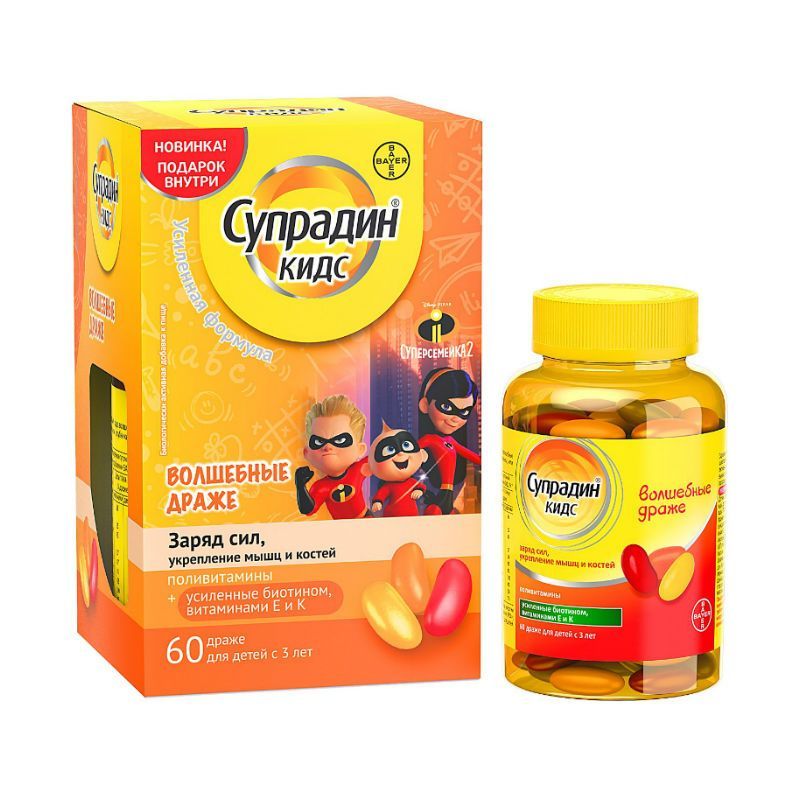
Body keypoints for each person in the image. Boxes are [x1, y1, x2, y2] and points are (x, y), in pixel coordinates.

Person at [294, 394, 370, 519]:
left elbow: (381, 460)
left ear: (360, 449)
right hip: (339, 528)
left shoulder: (358, 470)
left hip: (366, 520)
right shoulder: (321, 487)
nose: (328, 447)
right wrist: (300, 486)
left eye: (340, 440)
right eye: (319, 441)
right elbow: (308, 509)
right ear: (307, 453)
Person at [417, 368, 480, 515]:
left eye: (464, 412)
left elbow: (471, 456)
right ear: (425, 405)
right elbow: (412, 452)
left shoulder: (451, 441)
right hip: (437, 489)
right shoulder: (430, 439)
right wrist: (419, 455)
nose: (455, 419)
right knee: (434, 513)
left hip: (450, 492)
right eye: (447, 407)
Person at [368, 424, 429, 517]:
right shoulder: (388, 486)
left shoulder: (411, 482)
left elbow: (421, 487)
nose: (400, 453)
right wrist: (377, 502)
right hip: (392, 517)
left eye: (406, 445)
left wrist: (419, 491)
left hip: (412, 516)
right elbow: (380, 495)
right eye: (390, 449)